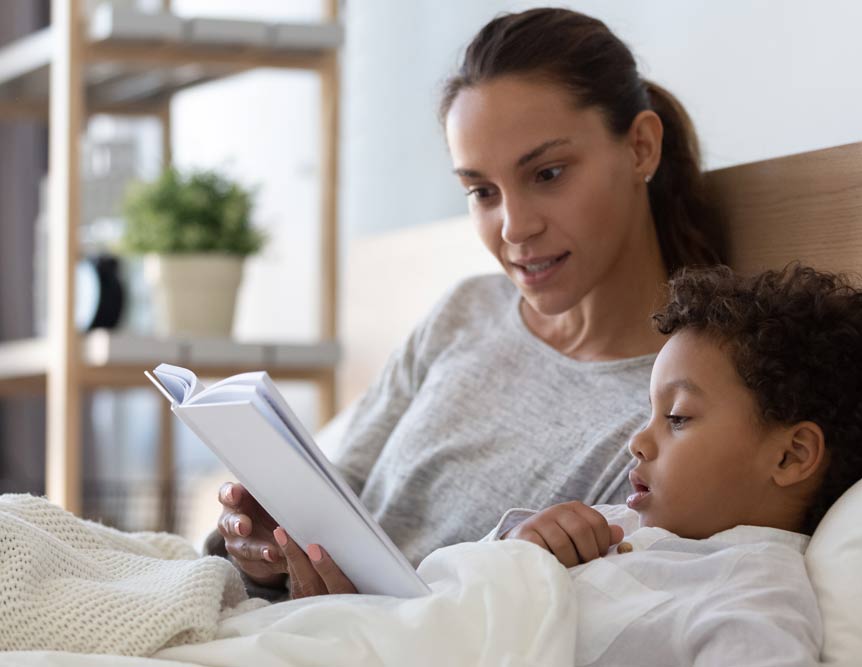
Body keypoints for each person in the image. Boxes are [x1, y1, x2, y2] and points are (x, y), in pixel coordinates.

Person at [212, 7, 723, 598]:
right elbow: (339, 490)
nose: (514, 228)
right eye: (482, 191)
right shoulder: (467, 310)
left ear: (640, 147)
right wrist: (263, 553)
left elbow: (608, 606)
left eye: (548, 173)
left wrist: (498, 568)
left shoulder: (676, 406)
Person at [276, 264, 862, 667]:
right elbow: (461, 597)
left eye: (679, 418)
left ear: (790, 454)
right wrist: (523, 546)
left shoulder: (752, 595)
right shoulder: (620, 526)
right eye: (650, 414)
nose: (638, 441)